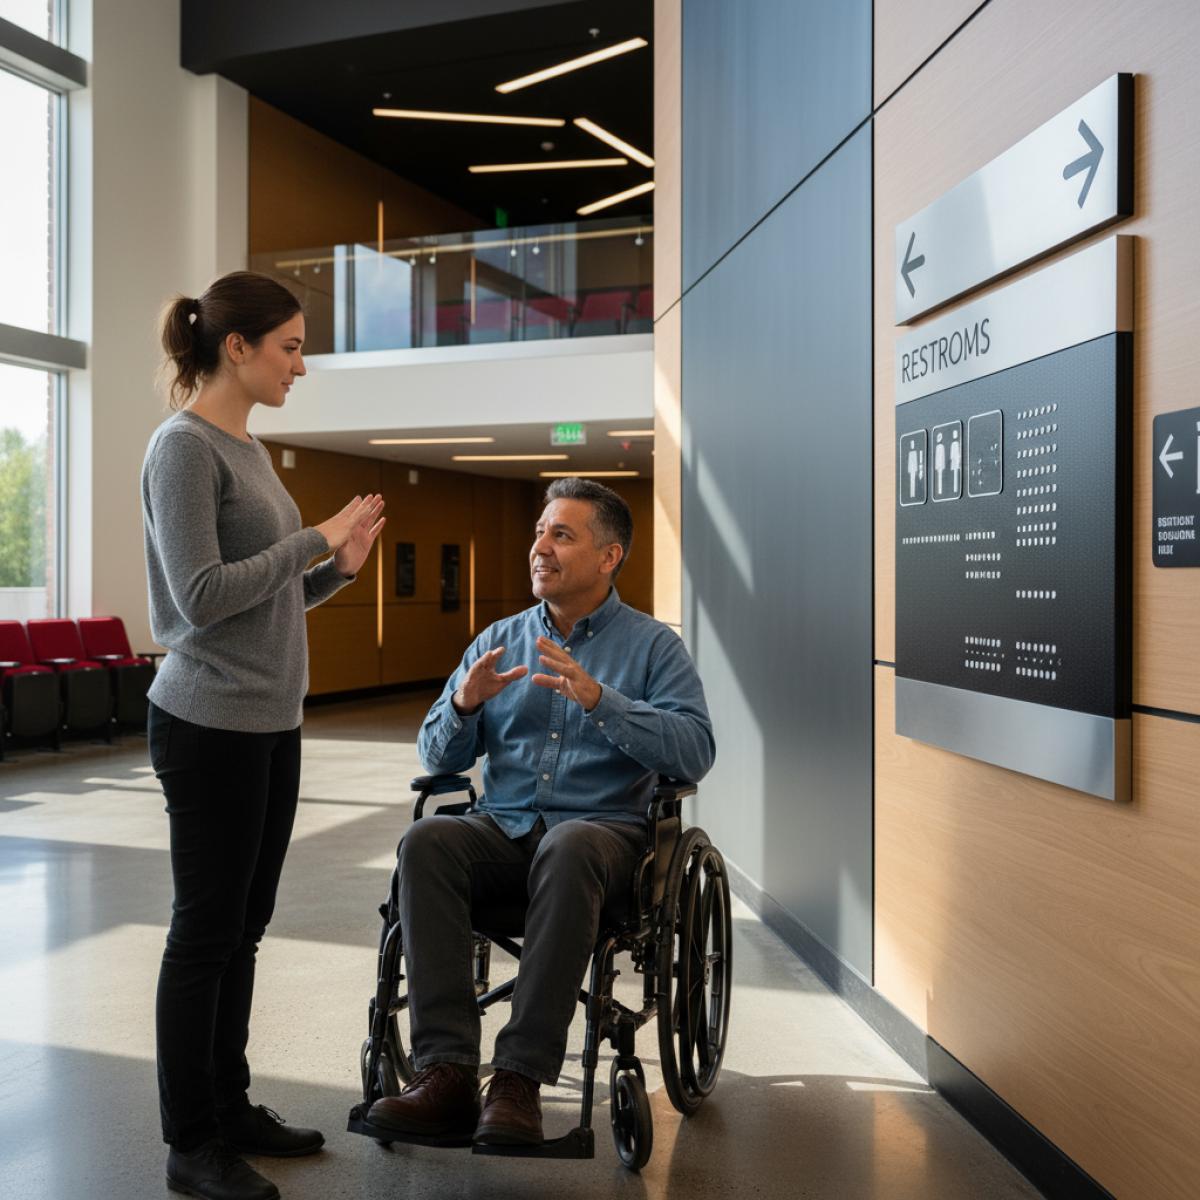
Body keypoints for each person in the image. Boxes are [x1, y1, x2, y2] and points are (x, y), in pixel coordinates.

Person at [367, 478, 715, 1147]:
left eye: (562, 535)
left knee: (573, 845)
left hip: (603, 844)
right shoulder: (498, 640)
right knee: (429, 842)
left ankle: (520, 1079)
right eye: (538, 533)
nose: (540, 548)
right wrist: (464, 705)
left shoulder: (652, 648)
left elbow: (694, 751)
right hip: (504, 830)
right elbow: (435, 754)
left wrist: (602, 702)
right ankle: (443, 1074)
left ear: (609, 556)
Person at [143, 271, 385, 1200]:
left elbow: (271, 596)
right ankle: (190, 1142)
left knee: (243, 930)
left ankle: (230, 1104)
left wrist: (339, 569)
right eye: (289, 346)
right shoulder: (182, 449)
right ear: (235, 347)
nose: (301, 363)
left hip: (270, 722)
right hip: (208, 722)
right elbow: (196, 605)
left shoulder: (249, 449)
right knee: (204, 934)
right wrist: (313, 539)